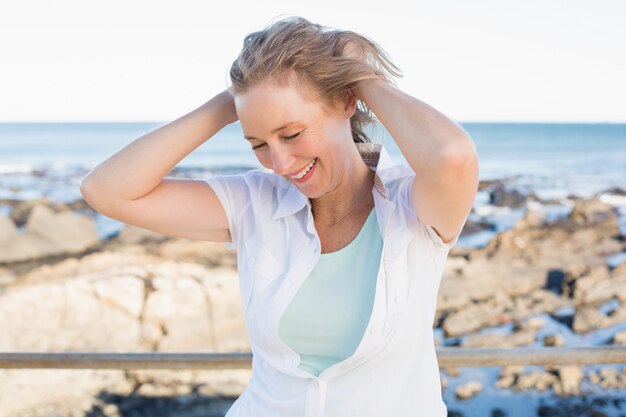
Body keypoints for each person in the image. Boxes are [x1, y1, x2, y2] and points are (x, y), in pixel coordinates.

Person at [81, 16, 479, 417]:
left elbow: (453, 157)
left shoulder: (411, 205)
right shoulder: (255, 203)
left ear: (344, 103)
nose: (281, 163)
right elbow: (106, 190)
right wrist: (234, 103)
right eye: (258, 143)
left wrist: (362, 78)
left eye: (290, 134)